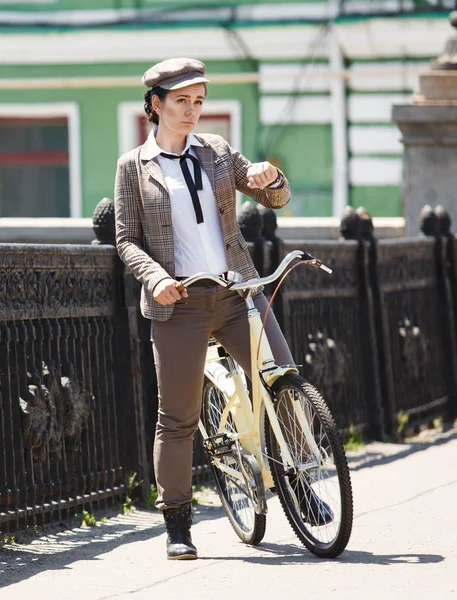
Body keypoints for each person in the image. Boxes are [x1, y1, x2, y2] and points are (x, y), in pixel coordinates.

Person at [114, 57, 294, 560]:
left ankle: (303, 485)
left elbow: (274, 198)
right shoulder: (134, 166)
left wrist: (270, 175)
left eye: (199, 102)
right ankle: (177, 525)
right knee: (177, 418)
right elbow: (126, 239)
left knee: (283, 378)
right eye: (181, 102)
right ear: (155, 104)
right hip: (180, 304)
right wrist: (157, 279)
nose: (192, 112)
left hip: (239, 293)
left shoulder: (215, 151)